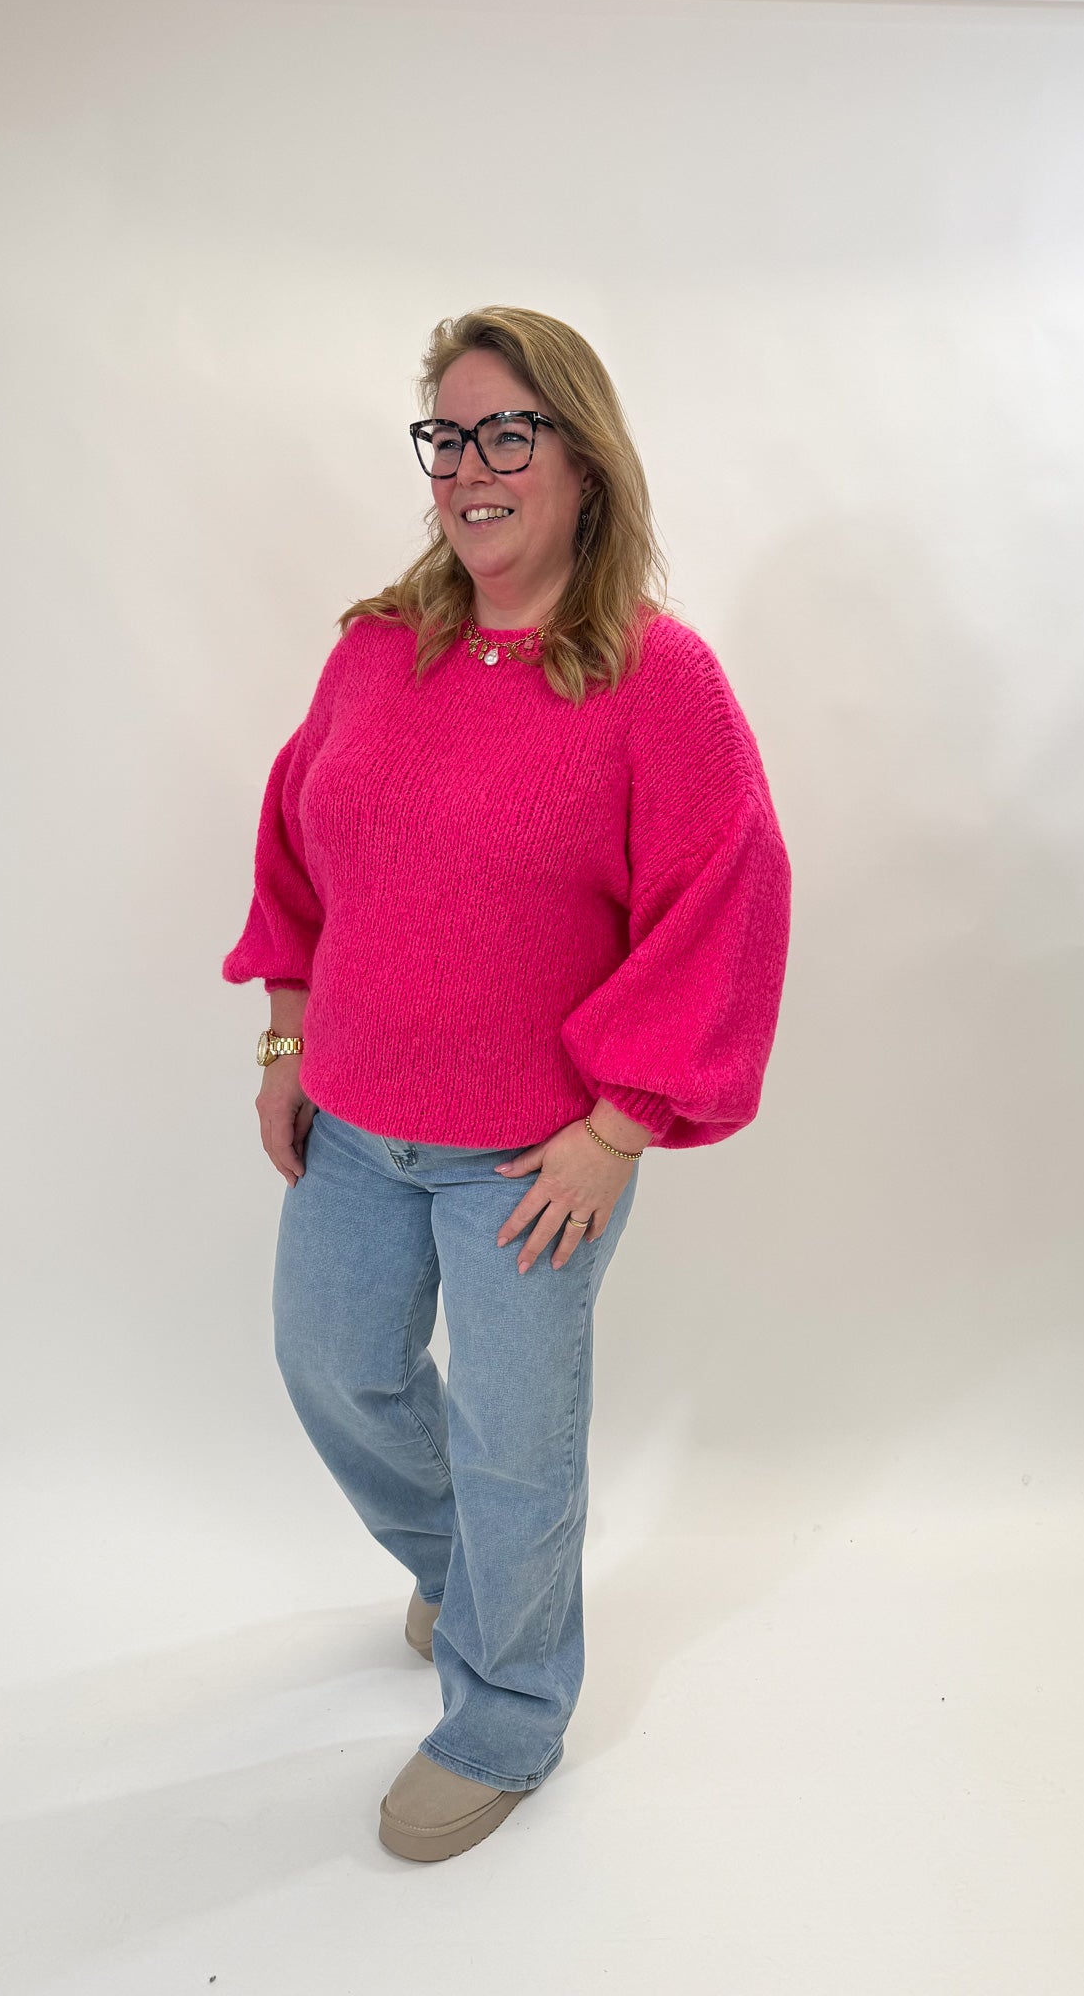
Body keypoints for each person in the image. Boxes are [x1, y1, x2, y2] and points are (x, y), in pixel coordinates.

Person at [221, 304, 792, 1863]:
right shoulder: (374, 651)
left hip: (533, 1161)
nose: (471, 469)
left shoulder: (658, 680)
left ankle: (508, 1711)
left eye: (508, 434)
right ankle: (471, 1576)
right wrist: (285, 1035)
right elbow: (298, 847)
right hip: (352, 1126)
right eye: (448, 437)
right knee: (333, 1367)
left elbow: (727, 899)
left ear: (582, 460)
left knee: (516, 1445)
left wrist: (620, 1129)